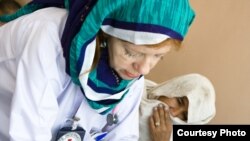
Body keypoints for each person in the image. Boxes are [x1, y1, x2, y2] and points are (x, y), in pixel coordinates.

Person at [0, 0, 195, 140]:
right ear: (104, 30)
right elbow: (27, 133)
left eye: (158, 57)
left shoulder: (131, 78)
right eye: (131, 52)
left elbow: (123, 136)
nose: (144, 68)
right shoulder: (47, 37)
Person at [140, 74, 216, 141]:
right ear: (174, 88)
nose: (173, 113)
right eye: (180, 101)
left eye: (184, 116)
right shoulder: (135, 85)